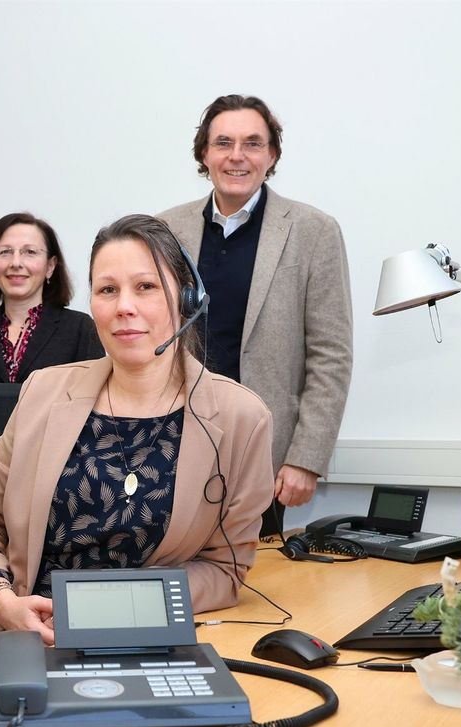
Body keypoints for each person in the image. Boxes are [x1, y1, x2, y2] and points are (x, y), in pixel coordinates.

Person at [0, 214, 274, 683]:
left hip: (145, 634)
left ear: (187, 298)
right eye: (107, 290)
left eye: (146, 287)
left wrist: (111, 611)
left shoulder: (240, 419)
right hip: (14, 624)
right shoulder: (43, 392)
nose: (123, 307)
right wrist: (0, 597)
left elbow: (224, 567)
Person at [157, 94, 352, 537]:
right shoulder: (164, 230)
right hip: (171, 446)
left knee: (255, 590)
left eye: (253, 143)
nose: (237, 156)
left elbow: (331, 355)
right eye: (223, 142)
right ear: (204, 154)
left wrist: (306, 457)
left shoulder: (313, 232)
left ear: (272, 155)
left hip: (261, 453)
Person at [0, 212, 103, 384]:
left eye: (29, 252)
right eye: (5, 252)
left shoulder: (81, 329)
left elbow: (91, 402)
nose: (16, 263)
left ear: (50, 266)